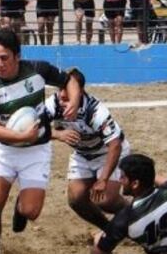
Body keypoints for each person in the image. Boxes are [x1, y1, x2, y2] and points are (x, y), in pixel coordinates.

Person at [0, 28, 82, 254]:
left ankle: (20, 208)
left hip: (36, 150)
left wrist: (74, 101)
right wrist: (21, 136)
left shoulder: (38, 69)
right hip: (4, 150)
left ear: (17, 56)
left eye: (4, 58)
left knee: (31, 212)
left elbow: (70, 80)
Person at [46, 70, 130, 231]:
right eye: (60, 88)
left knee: (106, 200)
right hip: (83, 154)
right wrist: (58, 134)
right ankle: (109, 230)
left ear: (80, 91)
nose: (63, 94)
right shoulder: (54, 103)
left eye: (68, 90)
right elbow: (33, 128)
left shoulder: (95, 111)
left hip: (108, 153)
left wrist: (103, 179)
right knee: (76, 200)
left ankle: (137, 213)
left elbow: (115, 145)